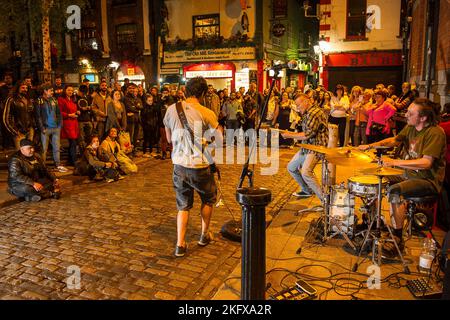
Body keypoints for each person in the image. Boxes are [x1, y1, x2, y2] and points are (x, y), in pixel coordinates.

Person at [358, 98, 446, 257]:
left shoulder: (435, 133)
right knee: (375, 178)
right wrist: (371, 146)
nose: (406, 115)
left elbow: (426, 163)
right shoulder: (411, 127)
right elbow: (394, 140)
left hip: (427, 180)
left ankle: (397, 238)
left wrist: (394, 162)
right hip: (407, 174)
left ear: (423, 117)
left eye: (410, 113)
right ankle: (373, 222)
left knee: (395, 191)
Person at [163, 76, 223, 257]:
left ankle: (180, 244)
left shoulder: (171, 109)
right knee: (207, 199)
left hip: (179, 165)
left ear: (185, 91)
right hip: (200, 165)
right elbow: (219, 140)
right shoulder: (207, 112)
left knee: (183, 205)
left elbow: (168, 139)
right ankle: (204, 235)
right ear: (203, 93)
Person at [282, 93, 328, 200]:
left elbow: (307, 134)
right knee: (291, 167)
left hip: (316, 147)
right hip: (307, 146)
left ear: (306, 101)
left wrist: (289, 135)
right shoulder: (307, 112)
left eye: (298, 105)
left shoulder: (314, 113)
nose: (297, 108)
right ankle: (306, 190)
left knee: (306, 172)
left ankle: (324, 199)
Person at [35, 84, 68, 172]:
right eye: (51, 90)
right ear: (45, 91)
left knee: (56, 148)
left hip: (56, 128)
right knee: (44, 149)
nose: (52, 92)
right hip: (46, 128)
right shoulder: (39, 100)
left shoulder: (54, 99)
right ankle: (42, 167)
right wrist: (42, 128)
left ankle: (57, 164)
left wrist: (60, 124)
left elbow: (58, 113)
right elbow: (38, 116)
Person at [3, 80, 35, 150]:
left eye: (26, 88)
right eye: (23, 88)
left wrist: (33, 127)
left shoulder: (28, 99)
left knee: (29, 153)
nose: (25, 90)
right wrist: (15, 131)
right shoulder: (11, 100)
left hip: (30, 130)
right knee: (20, 155)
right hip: (19, 132)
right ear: (18, 88)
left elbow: (31, 115)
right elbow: (5, 118)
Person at [58, 85, 80, 166]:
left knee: (72, 143)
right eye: (68, 90)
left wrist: (77, 112)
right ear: (65, 91)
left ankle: (70, 161)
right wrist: (69, 115)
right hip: (67, 123)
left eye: (71, 90)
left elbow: (73, 110)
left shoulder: (72, 100)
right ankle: (74, 161)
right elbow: (59, 112)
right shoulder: (61, 99)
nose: (70, 92)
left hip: (74, 123)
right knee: (73, 142)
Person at [123, 83, 143, 156]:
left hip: (137, 119)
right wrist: (137, 108)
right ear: (127, 89)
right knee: (130, 136)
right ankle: (129, 151)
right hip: (130, 120)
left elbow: (141, 106)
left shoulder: (137, 98)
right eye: (130, 88)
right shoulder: (125, 98)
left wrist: (136, 107)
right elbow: (129, 108)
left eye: (133, 88)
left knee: (136, 136)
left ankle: (134, 150)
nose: (132, 89)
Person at [76, 84, 94, 150]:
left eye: (84, 93)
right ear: (79, 91)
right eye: (82, 93)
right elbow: (74, 108)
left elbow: (91, 106)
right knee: (81, 138)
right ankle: (82, 152)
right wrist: (80, 109)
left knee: (89, 137)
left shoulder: (88, 97)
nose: (83, 94)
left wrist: (89, 107)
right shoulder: (75, 98)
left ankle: (88, 151)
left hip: (88, 119)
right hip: (80, 120)